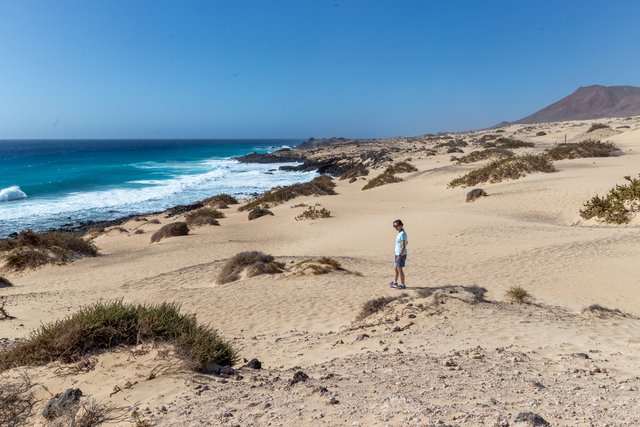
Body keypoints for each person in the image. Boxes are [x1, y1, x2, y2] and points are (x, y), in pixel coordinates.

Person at [390, 219, 407, 289]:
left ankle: (403, 285)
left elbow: (403, 246)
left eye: (397, 226)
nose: (396, 228)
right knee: (396, 269)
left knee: (400, 270)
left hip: (401, 254)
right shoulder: (400, 233)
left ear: (401, 225)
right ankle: (395, 282)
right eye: (394, 226)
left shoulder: (402, 234)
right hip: (398, 254)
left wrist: (400, 255)